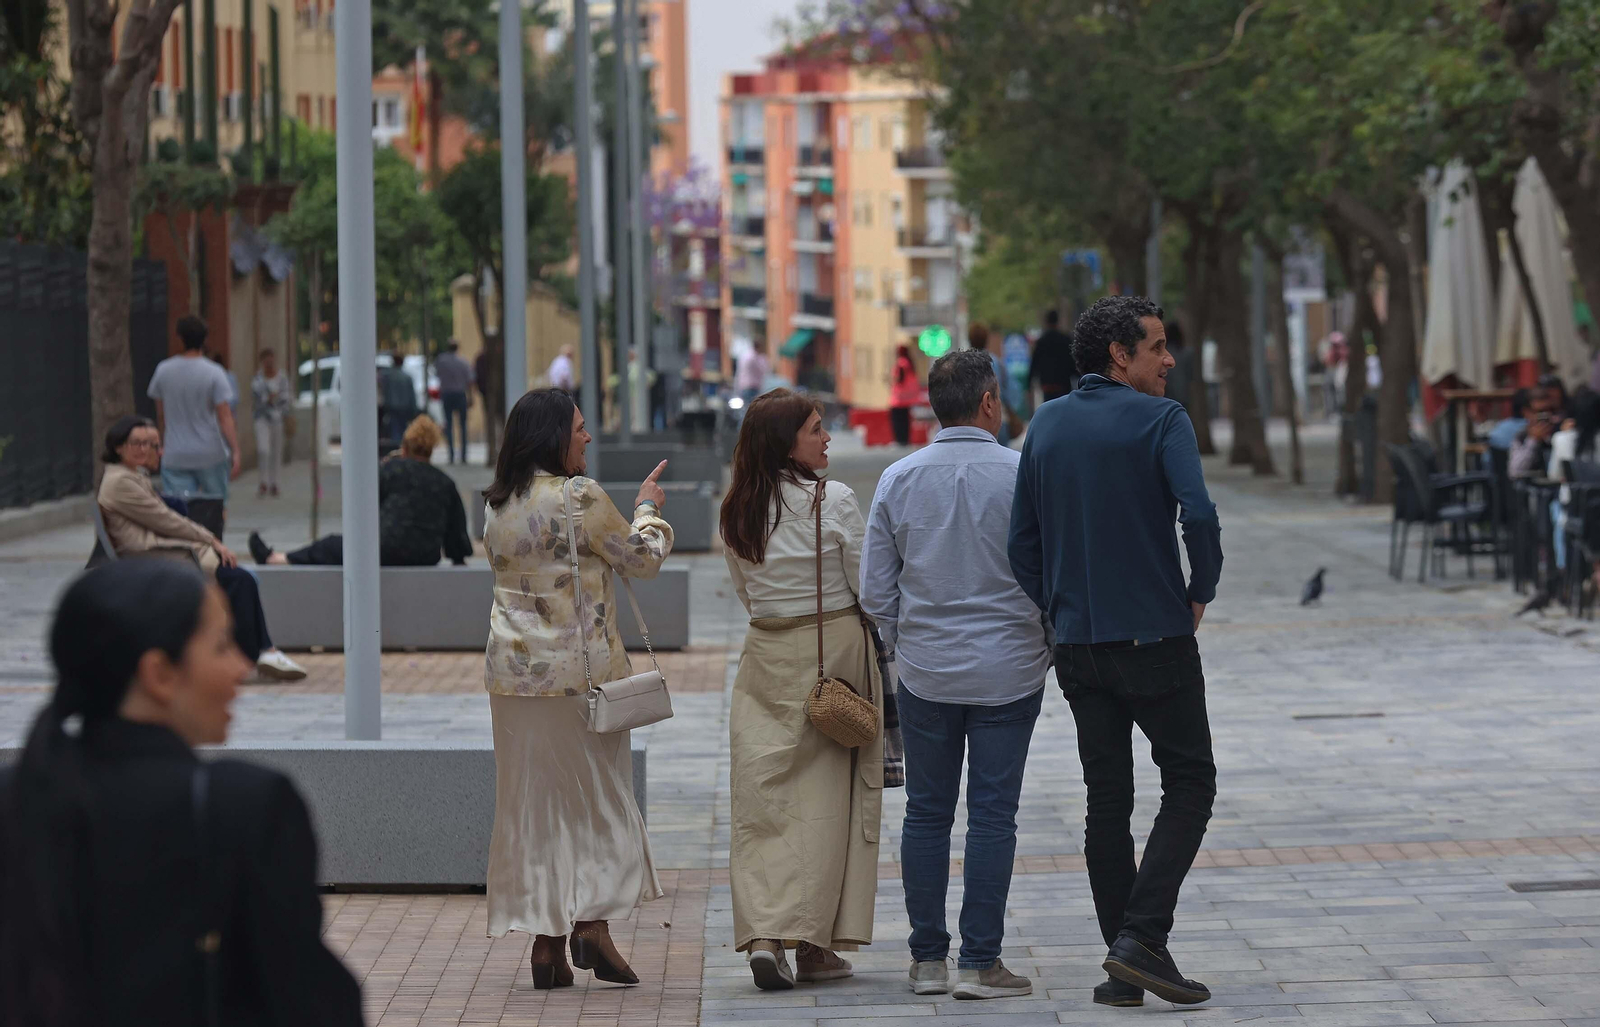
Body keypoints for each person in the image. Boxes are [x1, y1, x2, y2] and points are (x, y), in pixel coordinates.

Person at [0, 560, 363, 1024]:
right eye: (222, 645)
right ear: (159, 673)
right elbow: (314, 1003)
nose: (241, 666)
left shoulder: (20, 796)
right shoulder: (247, 808)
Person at [1009, 295, 1222, 1008]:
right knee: (1190, 780)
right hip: (1155, 636)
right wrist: (1200, 589)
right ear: (1119, 356)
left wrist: (1057, 604)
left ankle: (1124, 962)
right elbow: (1199, 514)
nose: (1169, 360)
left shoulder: (1046, 423)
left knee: (1108, 797)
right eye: (1156, 347)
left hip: (1080, 645)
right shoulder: (1164, 419)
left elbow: (1021, 543)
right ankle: (1141, 937)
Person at [859, 350, 1051, 1001]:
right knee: (994, 816)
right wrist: (1042, 641)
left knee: (926, 812)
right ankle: (980, 961)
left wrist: (905, 644)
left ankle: (927, 961)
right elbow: (1051, 573)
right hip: (1010, 670)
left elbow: (875, 592)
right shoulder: (1024, 475)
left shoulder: (899, 478)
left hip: (927, 671)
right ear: (990, 402)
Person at [480, 388, 673, 989]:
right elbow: (642, 559)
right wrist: (648, 509)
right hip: (578, 682)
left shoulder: (497, 504)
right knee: (599, 804)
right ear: (553, 437)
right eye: (580, 428)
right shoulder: (579, 497)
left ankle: (546, 946)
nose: (587, 437)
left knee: (534, 810)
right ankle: (592, 927)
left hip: (512, 680)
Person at [719, 390, 884, 992]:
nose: (827, 437)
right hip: (831, 656)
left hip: (765, 655)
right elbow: (867, 585)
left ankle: (766, 935)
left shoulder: (736, 509)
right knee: (828, 805)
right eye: (816, 429)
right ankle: (816, 945)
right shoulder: (831, 500)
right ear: (787, 443)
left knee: (762, 802)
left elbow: (745, 591)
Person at [98, 415, 308, 682]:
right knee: (239, 580)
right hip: (152, 558)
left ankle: (264, 651)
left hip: (158, 554)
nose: (144, 449)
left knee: (241, 577)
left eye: (148, 444)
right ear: (118, 447)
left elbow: (163, 517)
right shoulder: (121, 481)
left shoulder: (131, 476)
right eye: (136, 443)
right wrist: (211, 539)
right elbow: (165, 520)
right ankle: (252, 655)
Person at [249, 415, 471, 567]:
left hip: (382, 551)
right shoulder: (445, 483)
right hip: (425, 556)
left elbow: (363, 511)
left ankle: (276, 559)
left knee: (329, 545)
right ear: (431, 451)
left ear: (404, 447)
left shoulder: (391, 470)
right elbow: (457, 539)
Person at [147, 315, 241, 508]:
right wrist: (235, 450)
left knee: (180, 512)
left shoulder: (163, 370)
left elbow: (161, 415)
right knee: (215, 509)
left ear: (179, 338)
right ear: (204, 339)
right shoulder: (214, 372)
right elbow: (224, 416)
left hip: (176, 453)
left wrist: (161, 444)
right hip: (210, 453)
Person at [972, 323, 1022, 446]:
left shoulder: (962, 365)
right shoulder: (996, 363)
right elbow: (1009, 392)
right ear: (986, 339)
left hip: (972, 423)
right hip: (998, 420)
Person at [251, 348, 292, 498]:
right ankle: (263, 482)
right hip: (262, 418)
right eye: (266, 360)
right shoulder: (258, 379)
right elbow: (256, 398)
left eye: (271, 359)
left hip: (277, 418)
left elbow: (287, 397)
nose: (269, 362)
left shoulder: (282, 378)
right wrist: (268, 398)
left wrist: (284, 412)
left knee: (276, 451)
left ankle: (275, 483)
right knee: (264, 450)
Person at [435, 340, 476, 464]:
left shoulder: (441, 361)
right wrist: (471, 397)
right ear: (457, 348)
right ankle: (463, 455)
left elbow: (437, 374)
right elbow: (470, 381)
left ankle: (451, 454)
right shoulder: (463, 362)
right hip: (460, 394)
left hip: (447, 394)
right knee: (463, 425)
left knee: (449, 424)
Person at [1027, 309, 1078, 404]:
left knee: (1049, 406)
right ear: (1057, 321)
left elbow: (1034, 363)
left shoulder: (1041, 342)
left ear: (1047, 322)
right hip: (1063, 384)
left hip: (1047, 385)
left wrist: (1029, 383)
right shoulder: (1066, 339)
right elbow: (1073, 362)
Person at [377, 353, 420, 446]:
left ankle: (396, 447)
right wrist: (414, 410)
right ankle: (401, 446)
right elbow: (411, 395)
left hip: (392, 407)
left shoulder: (388, 377)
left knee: (394, 430)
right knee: (403, 430)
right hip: (404, 407)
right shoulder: (406, 377)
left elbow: (385, 392)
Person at [888, 344, 921, 447]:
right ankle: (905, 440)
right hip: (908, 399)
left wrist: (890, 381)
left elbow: (899, 379)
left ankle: (899, 440)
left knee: (897, 421)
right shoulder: (910, 363)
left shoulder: (901, 364)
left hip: (899, 399)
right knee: (906, 421)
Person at [1164, 320, 1194, 413]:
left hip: (1167, 392)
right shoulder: (1187, 352)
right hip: (1182, 393)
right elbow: (1190, 375)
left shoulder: (1164, 353)